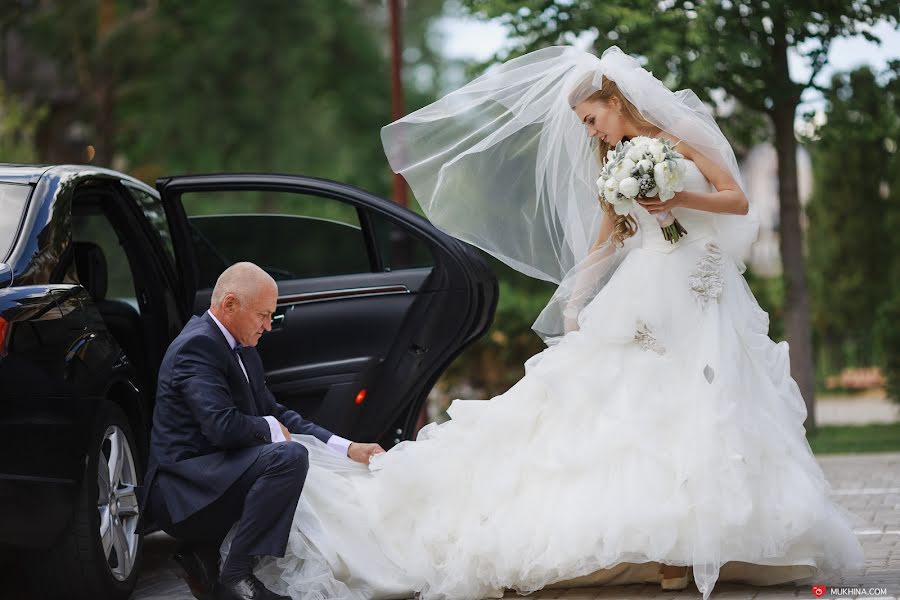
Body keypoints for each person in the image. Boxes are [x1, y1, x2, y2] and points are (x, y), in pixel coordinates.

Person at [228, 46, 865, 600]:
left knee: (714, 403)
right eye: (587, 127)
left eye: (594, 120)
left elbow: (738, 198)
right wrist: (577, 298)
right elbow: (607, 238)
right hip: (647, 290)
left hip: (703, 285)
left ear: (615, 100)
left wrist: (678, 198)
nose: (596, 135)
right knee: (637, 408)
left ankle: (705, 543)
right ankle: (667, 550)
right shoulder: (612, 165)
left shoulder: (679, 140)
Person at [142, 262, 383, 600]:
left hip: (216, 476)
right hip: (184, 492)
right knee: (287, 458)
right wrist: (270, 428)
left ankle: (206, 557)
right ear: (230, 305)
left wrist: (346, 447)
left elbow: (274, 411)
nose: (269, 326)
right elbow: (221, 427)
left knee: (295, 461)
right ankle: (236, 578)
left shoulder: (241, 348)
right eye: (264, 315)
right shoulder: (196, 347)